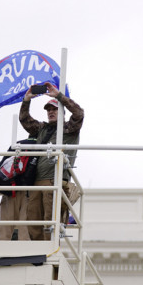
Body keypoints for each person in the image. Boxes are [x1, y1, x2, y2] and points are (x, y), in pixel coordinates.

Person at [19, 83, 84, 240]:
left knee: (51, 222)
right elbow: (24, 120)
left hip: (55, 181)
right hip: (37, 182)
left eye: (54, 109)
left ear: (61, 111)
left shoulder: (70, 129)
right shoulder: (42, 129)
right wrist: (26, 100)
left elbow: (79, 113)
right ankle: (38, 254)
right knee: (33, 220)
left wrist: (59, 96)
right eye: (48, 110)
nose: (50, 112)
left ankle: (49, 253)